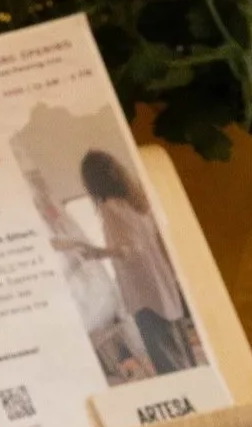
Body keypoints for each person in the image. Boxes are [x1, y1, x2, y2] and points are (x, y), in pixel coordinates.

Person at [70, 148, 200, 377]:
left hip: (145, 294)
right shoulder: (136, 202)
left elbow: (130, 250)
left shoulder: (110, 208)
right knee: (181, 348)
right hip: (164, 284)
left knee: (168, 359)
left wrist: (96, 253)